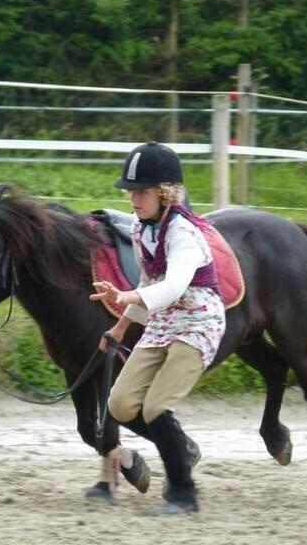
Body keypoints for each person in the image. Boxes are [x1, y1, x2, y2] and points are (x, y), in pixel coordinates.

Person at [90, 141, 226, 515]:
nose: (133, 199)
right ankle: (180, 448)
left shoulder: (183, 232)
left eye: (141, 192)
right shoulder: (140, 229)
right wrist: (120, 327)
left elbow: (173, 286)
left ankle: (184, 493)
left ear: (165, 193)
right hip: (164, 320)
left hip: (200, 320)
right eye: (130, 192)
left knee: (155, 408)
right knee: (120, 404)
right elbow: (153, 281)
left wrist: (124, 296)